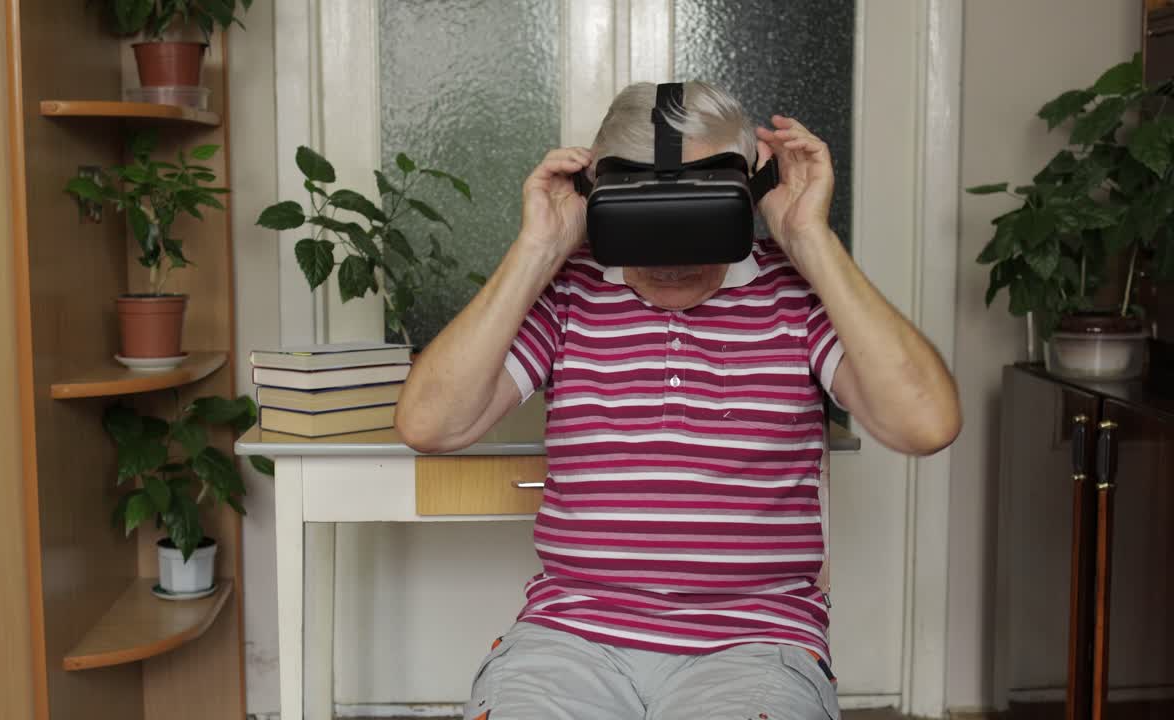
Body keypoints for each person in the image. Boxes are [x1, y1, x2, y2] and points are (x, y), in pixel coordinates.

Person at [395, 80, 961, 720]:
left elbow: (927, 424)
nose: (670, 260)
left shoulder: (796, 296)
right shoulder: (570, 292)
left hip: (753, 643)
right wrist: (538, 249)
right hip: (571, 640)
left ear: (747, 196)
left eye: (697, 218)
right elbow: (429, 426)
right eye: (644, 224)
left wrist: (812, 241)